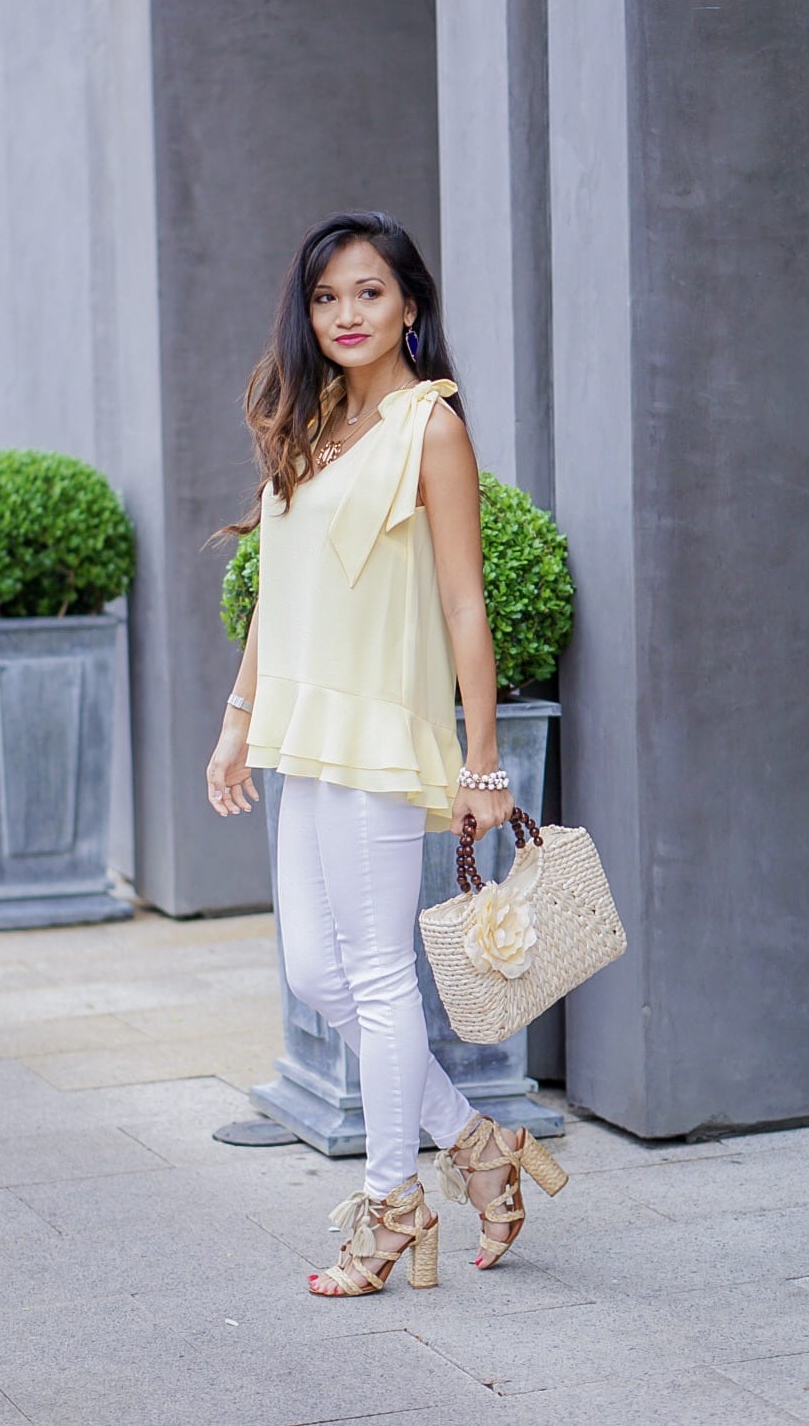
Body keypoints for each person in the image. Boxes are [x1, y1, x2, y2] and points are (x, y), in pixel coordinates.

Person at [205, 211, 567, 1297]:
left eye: (369, 292)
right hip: (301, 728)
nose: (347, 314)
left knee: (372, 970)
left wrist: (484, 756)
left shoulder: (429, 426)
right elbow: (280, 588)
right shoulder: (304, 423)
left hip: (374, 724)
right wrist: (236, 720)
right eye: (327, 297)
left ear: (410, 304)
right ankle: (477, 1142)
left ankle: (392, 1203)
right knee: (317, 972)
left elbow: (465, 599)